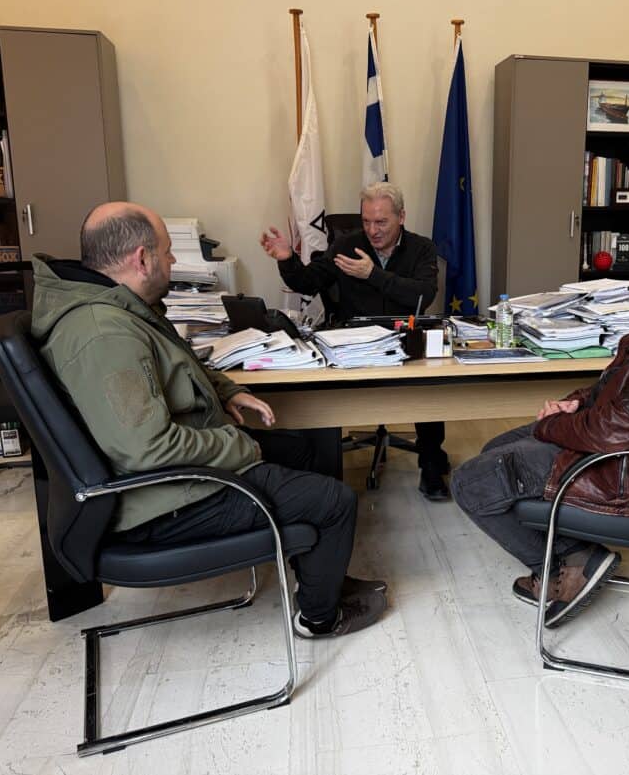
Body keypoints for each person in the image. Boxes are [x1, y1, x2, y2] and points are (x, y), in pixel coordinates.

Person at [30, 201, 387, 638]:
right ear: (141, 259)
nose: (172, 261)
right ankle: (320, 619)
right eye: (167, 252)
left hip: (171, 475)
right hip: (162, 502)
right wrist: (238, 445)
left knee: (304, 450)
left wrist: (226, 391)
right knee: (336, 501)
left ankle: (318, 579)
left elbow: (178, 363)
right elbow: (148, 449)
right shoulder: (104, 333)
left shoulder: (118, 306)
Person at [450, 204, 629, 628]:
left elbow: (619, 429)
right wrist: (575, 403)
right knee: (495, 449)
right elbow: (626, 386)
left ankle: (569, 563)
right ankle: (575, 554)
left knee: (470, 482)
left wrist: (551, 424)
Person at [260, 182, 452, 500]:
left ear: (401, 217)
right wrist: (286, 258)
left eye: (381, 222)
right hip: (354, 345)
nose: (372, 230)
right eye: (366, 221)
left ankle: (431, 465)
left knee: (429, 384)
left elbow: (423, 294)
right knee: (320, 394)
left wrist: (372, 274)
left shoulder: (421, 248)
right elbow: (308, 282)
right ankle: (326, 478)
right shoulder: (346, 245)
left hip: (404, 341)